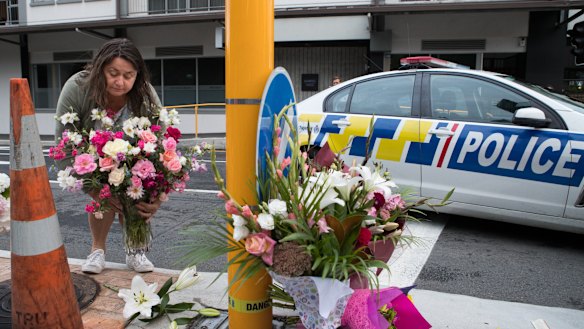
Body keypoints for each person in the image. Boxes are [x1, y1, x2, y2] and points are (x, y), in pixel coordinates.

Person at [55, 38, 163, 274]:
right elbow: (63, 144)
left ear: (137, 75)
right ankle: (97, 250)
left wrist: (158, 194)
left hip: (134, 157)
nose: (120, 81)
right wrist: (94, 189)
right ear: (99, 68)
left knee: (136, 195)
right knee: (102, 199)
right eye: (113, 73)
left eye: (128, 75)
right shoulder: (78, 87)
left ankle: (135, 250)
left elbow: (163, 142)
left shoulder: (145, 93)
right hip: (92, 156)